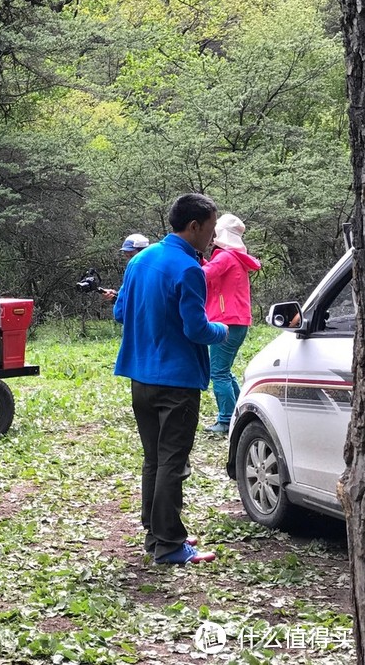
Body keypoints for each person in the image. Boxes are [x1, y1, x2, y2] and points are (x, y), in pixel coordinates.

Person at [114, 193, 228, 565]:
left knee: (154, 459)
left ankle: (157, 530)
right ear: (193, 226)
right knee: (173, 462)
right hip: (176, 381)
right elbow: (197, 330)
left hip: (140, 377)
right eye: (210, 230)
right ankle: (169, 545)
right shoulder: (188, 269)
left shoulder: (141, 260)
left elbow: (120, 313)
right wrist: (221, 330)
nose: (212, 238)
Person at [203, 214, 261, 434]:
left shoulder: (225, 256)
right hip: (237, 320)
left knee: (218, 372)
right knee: (224, 371)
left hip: (226, 321)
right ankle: (238, 413)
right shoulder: (235, 257)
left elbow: (203, 275)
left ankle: (226, 420)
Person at [101, 233, 151, 301]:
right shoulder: (131, 270)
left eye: (132, 256)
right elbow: (129, 296)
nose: (130, 260)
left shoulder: (151, 272)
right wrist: (116, 295)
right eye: (126, 255)